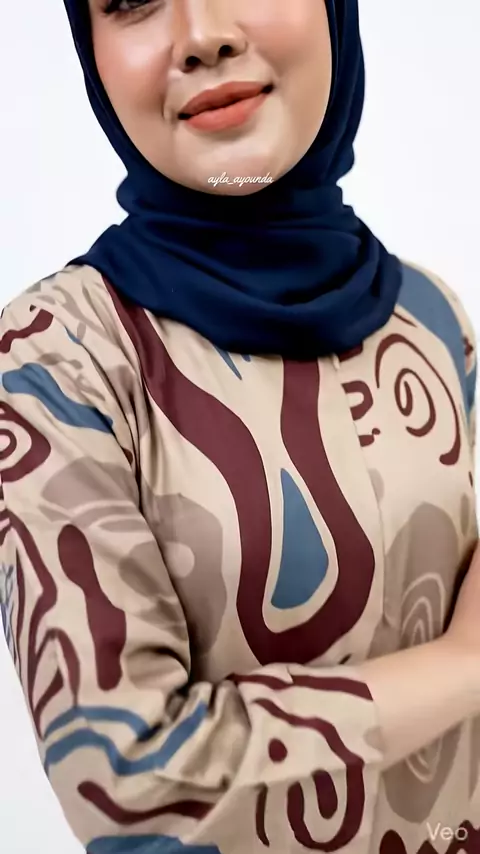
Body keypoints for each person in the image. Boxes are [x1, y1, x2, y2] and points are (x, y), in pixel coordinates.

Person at [0, 1, 479, 851]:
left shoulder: (430, 317)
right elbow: (126, 787)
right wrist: (462, 665)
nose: (202, 35)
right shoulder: (57, 359)